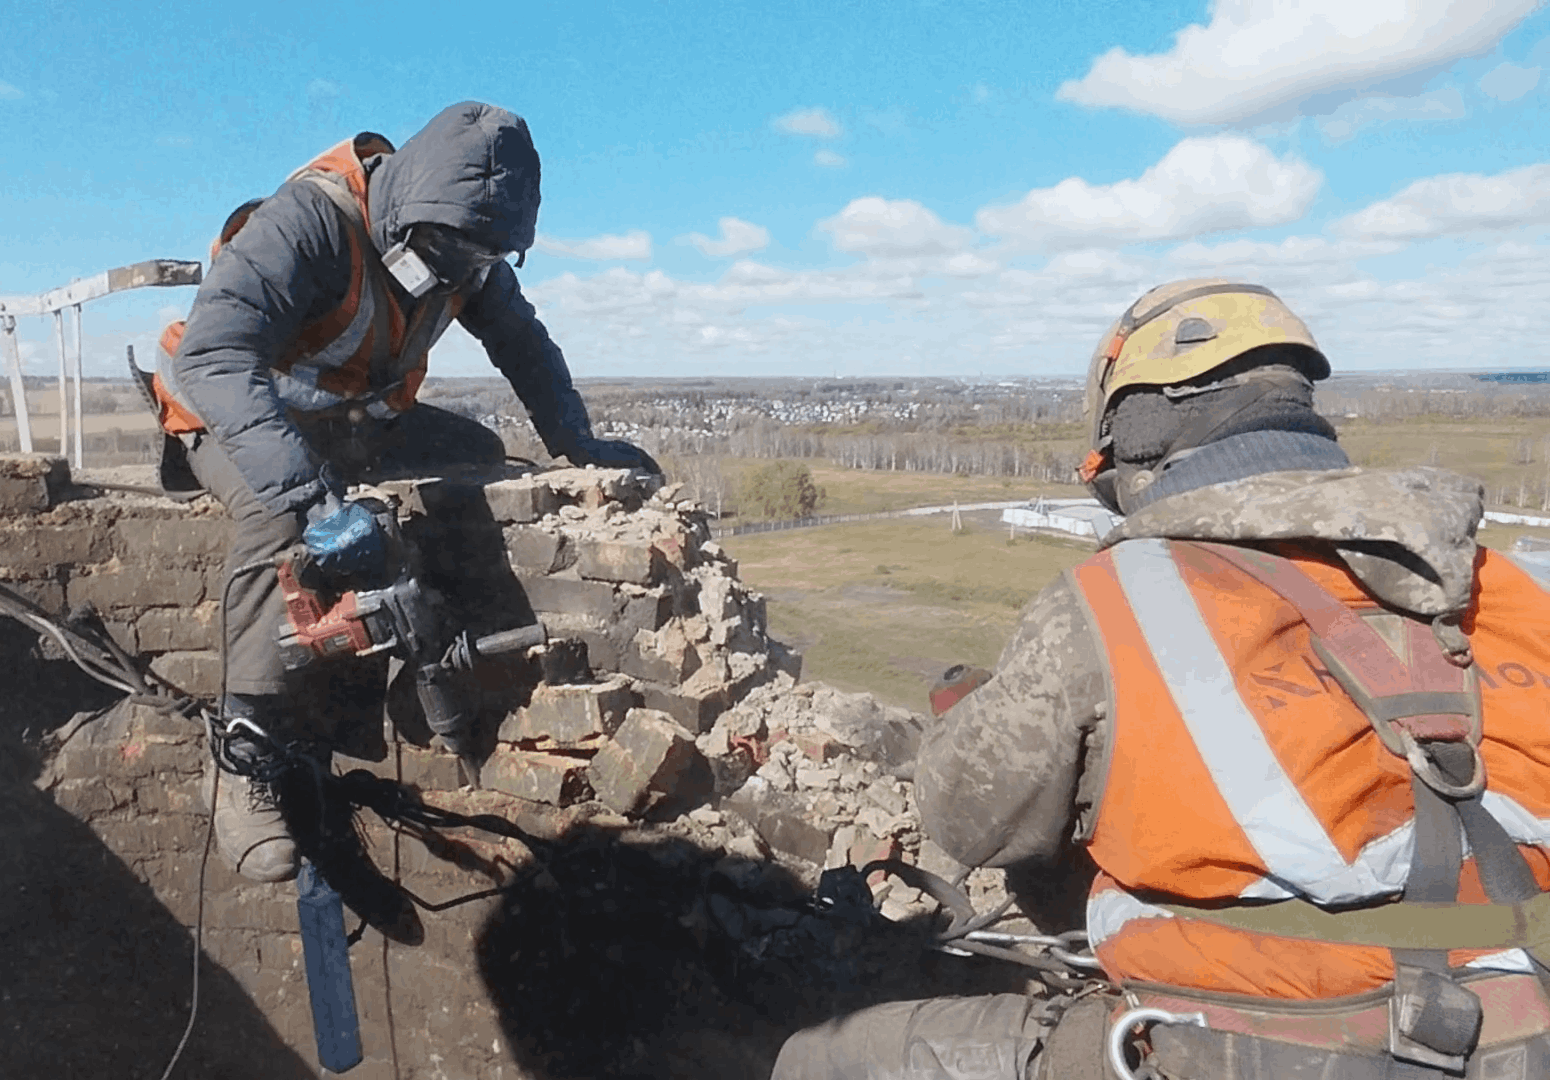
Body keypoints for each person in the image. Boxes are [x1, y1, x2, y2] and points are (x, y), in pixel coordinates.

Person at [771, 279, 1550, 1079]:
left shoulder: (1124, 598)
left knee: (817, 1060)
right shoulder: (1512, 587)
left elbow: (965, 820)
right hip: (1525, 1030)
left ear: (1138, 430)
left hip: (1244, 1043)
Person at [136, 101, 657, 886]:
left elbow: (521, 341)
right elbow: (213, 359)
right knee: (281, 521)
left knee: (477, 458)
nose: (457, 275)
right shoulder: (309, 224)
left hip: (347, 424)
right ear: (408, 209)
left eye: (481, 259)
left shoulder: (464, 246)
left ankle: (413, 652)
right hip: (229, 417)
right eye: (447, 252)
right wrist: (314, 502)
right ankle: (246, 750)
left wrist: (575, 441)